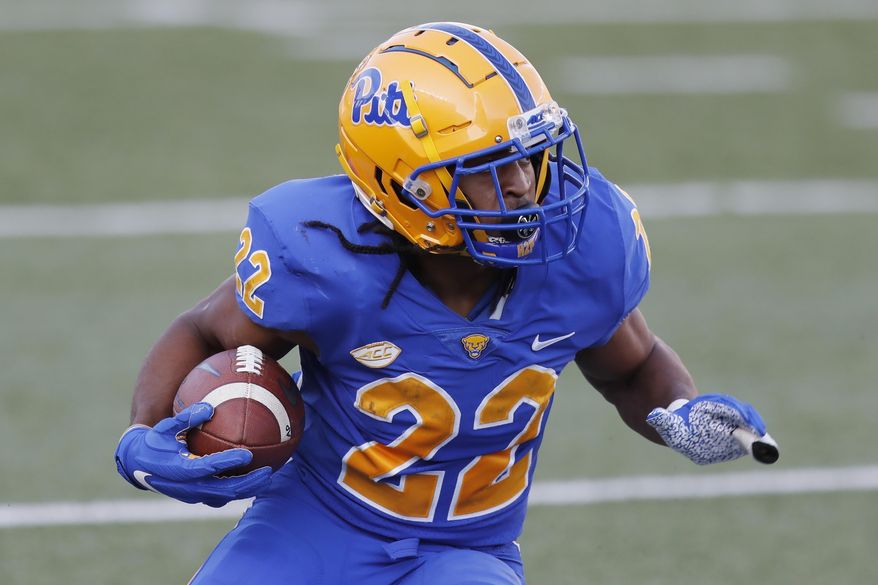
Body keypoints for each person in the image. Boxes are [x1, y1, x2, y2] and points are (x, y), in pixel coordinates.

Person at [114, 22, 776, 584]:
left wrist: (680, 410)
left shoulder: (579, 249)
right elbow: (204, 332)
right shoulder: (325, 257)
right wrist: (144, 435)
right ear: (404, 186)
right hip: (316, 520)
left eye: (529, 156)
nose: (522, 185)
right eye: (489, 169)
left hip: (465, 552)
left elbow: (633, 368)